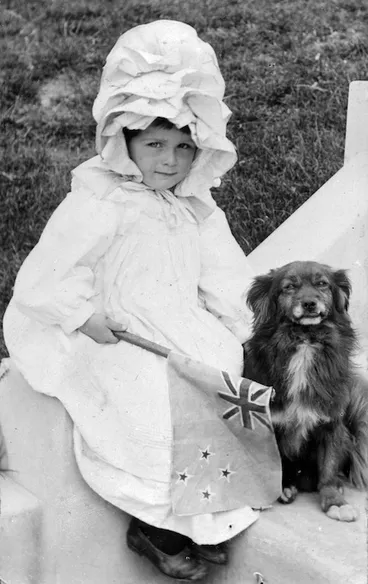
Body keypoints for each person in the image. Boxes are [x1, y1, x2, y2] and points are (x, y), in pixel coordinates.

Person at [3, 20, 259, 581]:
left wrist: (239, 320)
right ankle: (154, 527)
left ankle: (202, 516)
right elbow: (47, 276)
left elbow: (224, 274)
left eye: (183, 148)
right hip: (110, 326)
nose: (168, 161)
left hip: (175, 322)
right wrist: (83, 315)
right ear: (126, 143)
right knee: (148, 400)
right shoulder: (101, 202)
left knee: (219, 374)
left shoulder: (194, 208)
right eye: (154, 145)